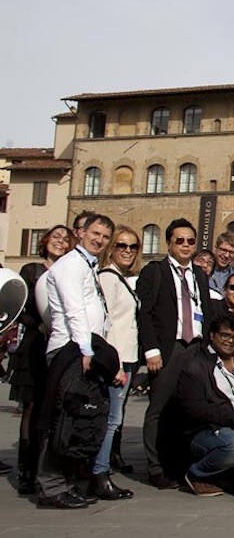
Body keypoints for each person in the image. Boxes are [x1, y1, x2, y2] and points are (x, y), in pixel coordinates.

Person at [35, 213, 123, 509]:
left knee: (79, 420)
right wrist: (86, 352)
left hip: (85, 348)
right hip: (71, 349)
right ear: (81, 233)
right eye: (95, 233)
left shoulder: (88, 265)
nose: (99, 240)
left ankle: (67, 482)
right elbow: (74, 311)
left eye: (105, 237)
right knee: (63, 419)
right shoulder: (70, 265)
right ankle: (51, 486)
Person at [137, 218, 216, 489]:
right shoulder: (155, 271)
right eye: (179, 240)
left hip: (195, 348)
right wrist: (151, 350)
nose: (185, 245)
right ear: (169, 243)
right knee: (159, 407)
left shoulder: (199, 275)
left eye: (190, 241)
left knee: (187, 408)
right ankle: (155, 467)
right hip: (169, 348)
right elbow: (144, 314)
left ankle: (179, 463)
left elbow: (205, 311)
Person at [174, 315, 234, 497]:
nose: (229, 341)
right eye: (224, 335)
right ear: (212, 335)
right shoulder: (196, 366)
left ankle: (228, 477)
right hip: (210, 429)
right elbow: (195, 409)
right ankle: (196, 474)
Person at [12, 225, 72, 492]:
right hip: (36, 344)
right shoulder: (32, 271)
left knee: (52, 408)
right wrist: (39, 324)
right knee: (32, 407)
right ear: (45, 241)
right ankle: (26, 468)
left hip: (58, 345)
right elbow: (21, 308)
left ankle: (44, 466)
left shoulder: (68, 273)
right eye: (56, 237)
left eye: (65, 239)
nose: (60, 242)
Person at [92, 226, 142, 499]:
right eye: (122, 245)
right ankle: (99, 474)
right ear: (111, 248)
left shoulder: (121, 279)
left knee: (113, 417)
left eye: (133, 247)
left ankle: (101, 469)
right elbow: (104, 324)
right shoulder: (108, 279)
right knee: (110, 420)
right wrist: (115, 364)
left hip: (127, 358)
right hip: (117, 360)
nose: (127, 251)